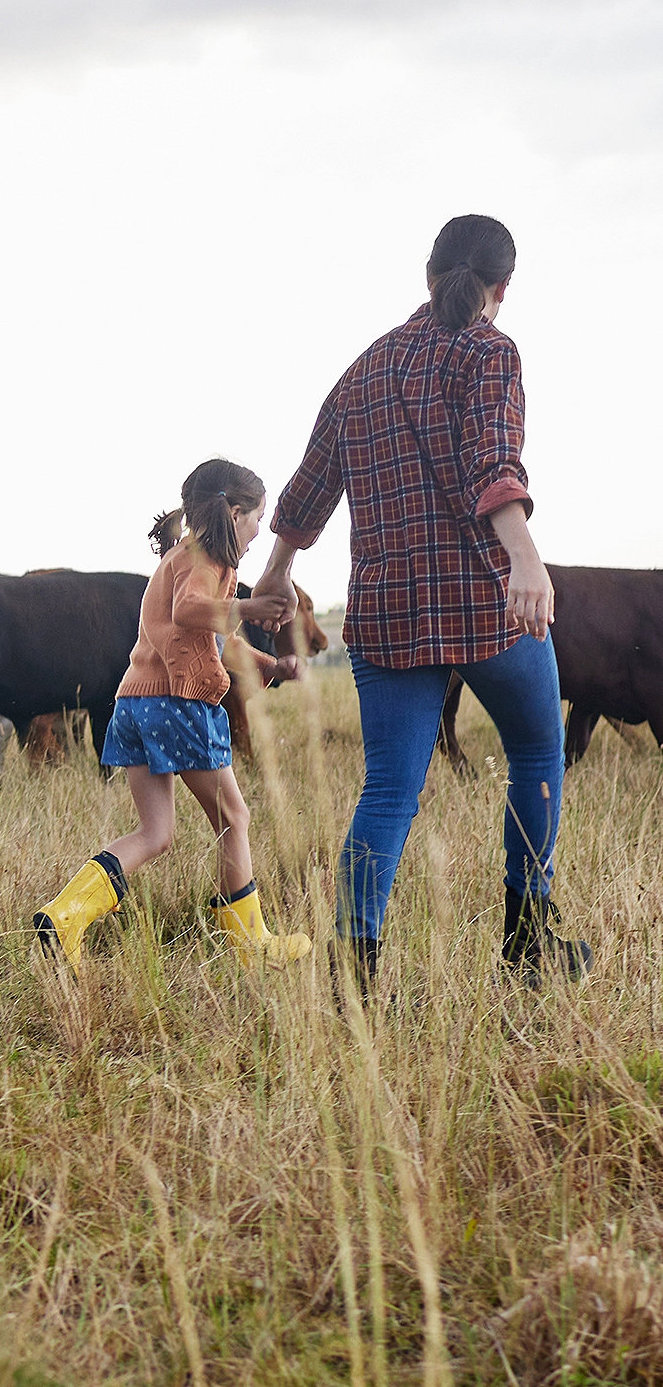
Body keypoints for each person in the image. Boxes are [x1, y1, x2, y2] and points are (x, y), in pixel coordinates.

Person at [249, 214, 584, 993]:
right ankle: (528, 943)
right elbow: (494, 460)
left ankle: (355, 977)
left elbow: (308, 486)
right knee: (536, 752)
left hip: (386, 616)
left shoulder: (365, 367)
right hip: (483, 604)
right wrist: (525, 558)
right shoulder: (491, 351)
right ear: (503, 287)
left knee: (390, 789)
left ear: (425, 275)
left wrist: (275, 571)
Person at [31, 459, 315, 972]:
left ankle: (65, 915)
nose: (259, 531)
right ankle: (249, 943)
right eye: (257, 518)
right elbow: (190, 611)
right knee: (234, 818)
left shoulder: (185, 558)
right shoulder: (206, 561)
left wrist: (273, 666)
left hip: (135, 704)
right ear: (234, 512)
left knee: (155, 833)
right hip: (176, 706)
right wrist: (250, 609)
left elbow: (213, 639)